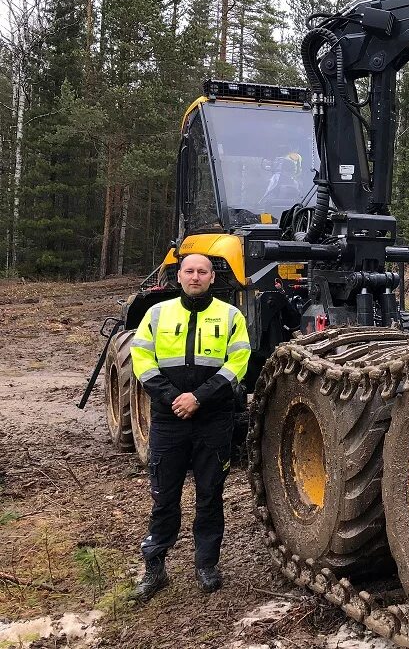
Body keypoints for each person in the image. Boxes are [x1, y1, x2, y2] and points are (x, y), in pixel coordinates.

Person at [129, 253, 251, 601]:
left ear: (212, 278)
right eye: (189, 271)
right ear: (178, 276)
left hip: (213, 418)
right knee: (164, 497)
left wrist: (199, 397)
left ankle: (206, 564)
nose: (195, 276)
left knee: (210, 495)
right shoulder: (156, 314)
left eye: (202, 271)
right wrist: (173, 398)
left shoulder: (230, 316)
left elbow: (238, 362)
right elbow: (142, 360)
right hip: (169, 420)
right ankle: (155, 569)